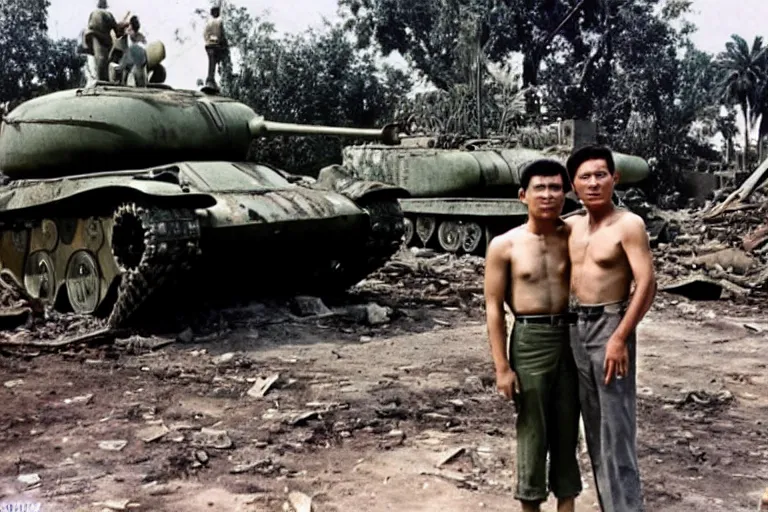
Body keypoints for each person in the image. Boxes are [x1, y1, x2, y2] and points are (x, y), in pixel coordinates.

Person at [484, 159, 582, 512]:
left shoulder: (574, 235)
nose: (548, 195)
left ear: (566, 193)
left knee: (568, 430)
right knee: (532, 431)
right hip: (529, 340)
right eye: (540, 188)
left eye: (556, 187)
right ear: (523, 195)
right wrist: (502, 367)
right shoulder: (504, 245)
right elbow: (493, 307)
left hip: (572, 337)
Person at [564, 145, 656, 512]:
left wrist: (620, 338)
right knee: (592, 429)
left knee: (616, 432)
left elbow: (647, 284)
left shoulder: (628, 224)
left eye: (600, 175)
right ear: (573, 184)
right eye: (585, 177)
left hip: (609, 325)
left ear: (614, 178)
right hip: (573, 326)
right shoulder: (568, 225)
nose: (593, 183)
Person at [203, 5, 228, 90]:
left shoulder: (208, 22)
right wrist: (223, 44)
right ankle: (210, 80)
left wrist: (208, 41)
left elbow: (205, 34)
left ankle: (211, 80)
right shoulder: (219, 21)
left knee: (211, 62)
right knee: (215, 63)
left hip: (208, 45)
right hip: (216, 45)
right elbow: (222, 34)